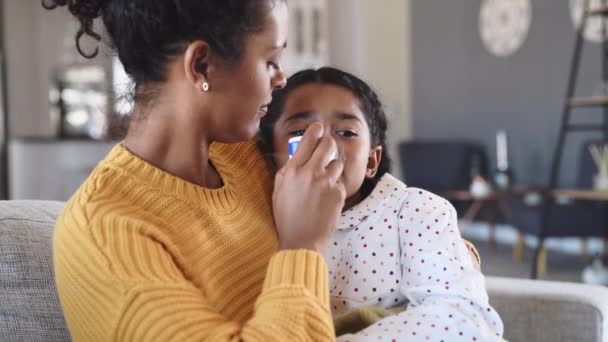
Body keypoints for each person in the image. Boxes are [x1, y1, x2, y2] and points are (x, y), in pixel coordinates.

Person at [45, 1, 346, 341]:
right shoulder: (104, 233)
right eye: (270, 61)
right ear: (202, 66)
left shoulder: (245, 156)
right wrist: (302, 246)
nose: (281, 79)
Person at [258, 67, 504, 341]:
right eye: (301, 131)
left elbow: (464, 319)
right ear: (270, 159)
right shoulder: (258, 221)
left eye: (346, 132)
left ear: (371, 161)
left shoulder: (415, 211)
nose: (326, 145)